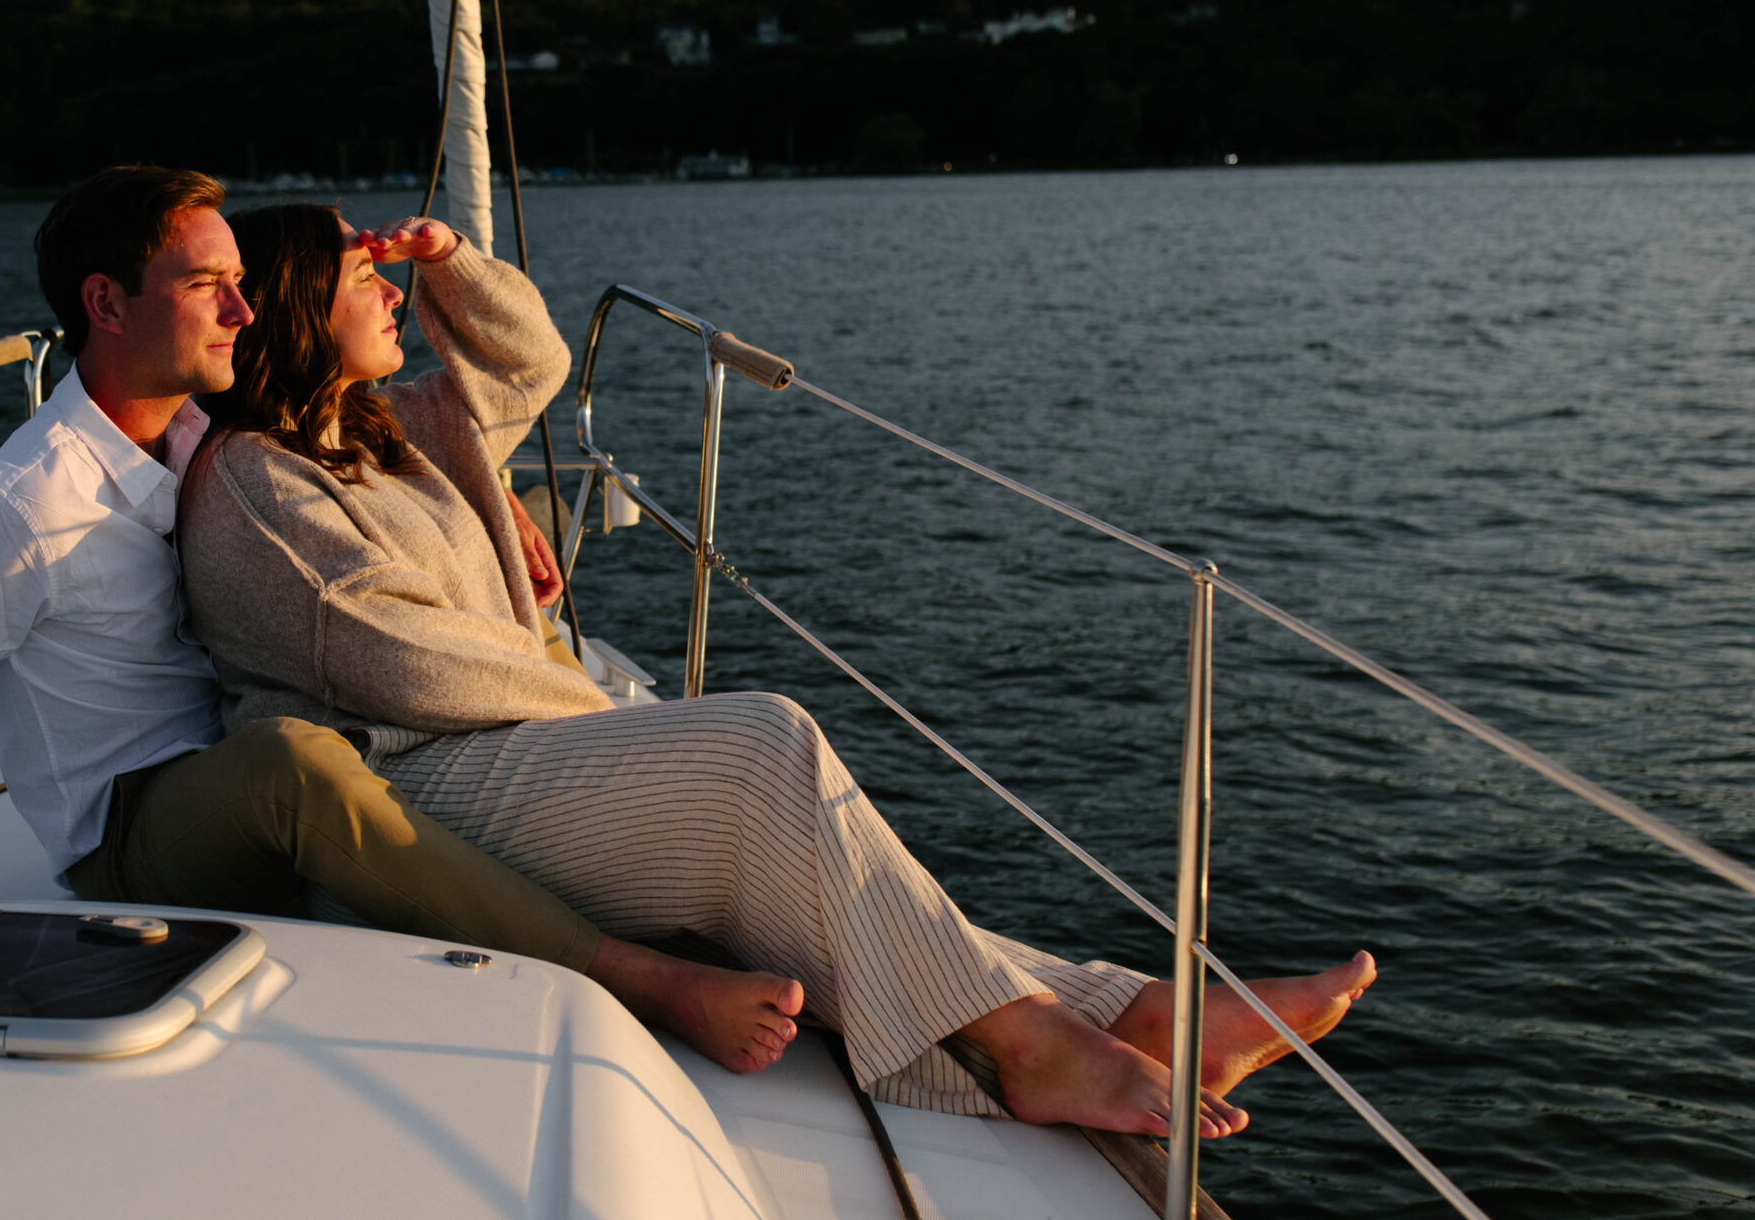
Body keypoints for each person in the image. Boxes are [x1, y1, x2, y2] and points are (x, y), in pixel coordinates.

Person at [176, 203, 1379, 1137]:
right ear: (299, 312)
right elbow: (405, 665)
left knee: (793, 839)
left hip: (503, 753)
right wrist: (598, 718)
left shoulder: (399, 425)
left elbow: (528, 361)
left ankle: (1130, 1015)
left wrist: (450, 260)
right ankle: (1034, 1049)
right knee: (758, 745)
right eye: (364, 278)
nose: (390, 290)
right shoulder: (256, 481)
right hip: (413, 782)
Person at [0, 165, 816, 1073]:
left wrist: (492, 497)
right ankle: (642, 979)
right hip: (135, 829)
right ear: (106, 303)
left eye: (242, 283)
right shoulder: (9, 509)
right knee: (297, 766)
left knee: (349, 767)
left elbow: (441, 404)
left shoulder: (204, 431)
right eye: (207, 286)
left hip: (262, 761)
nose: (243, 309)